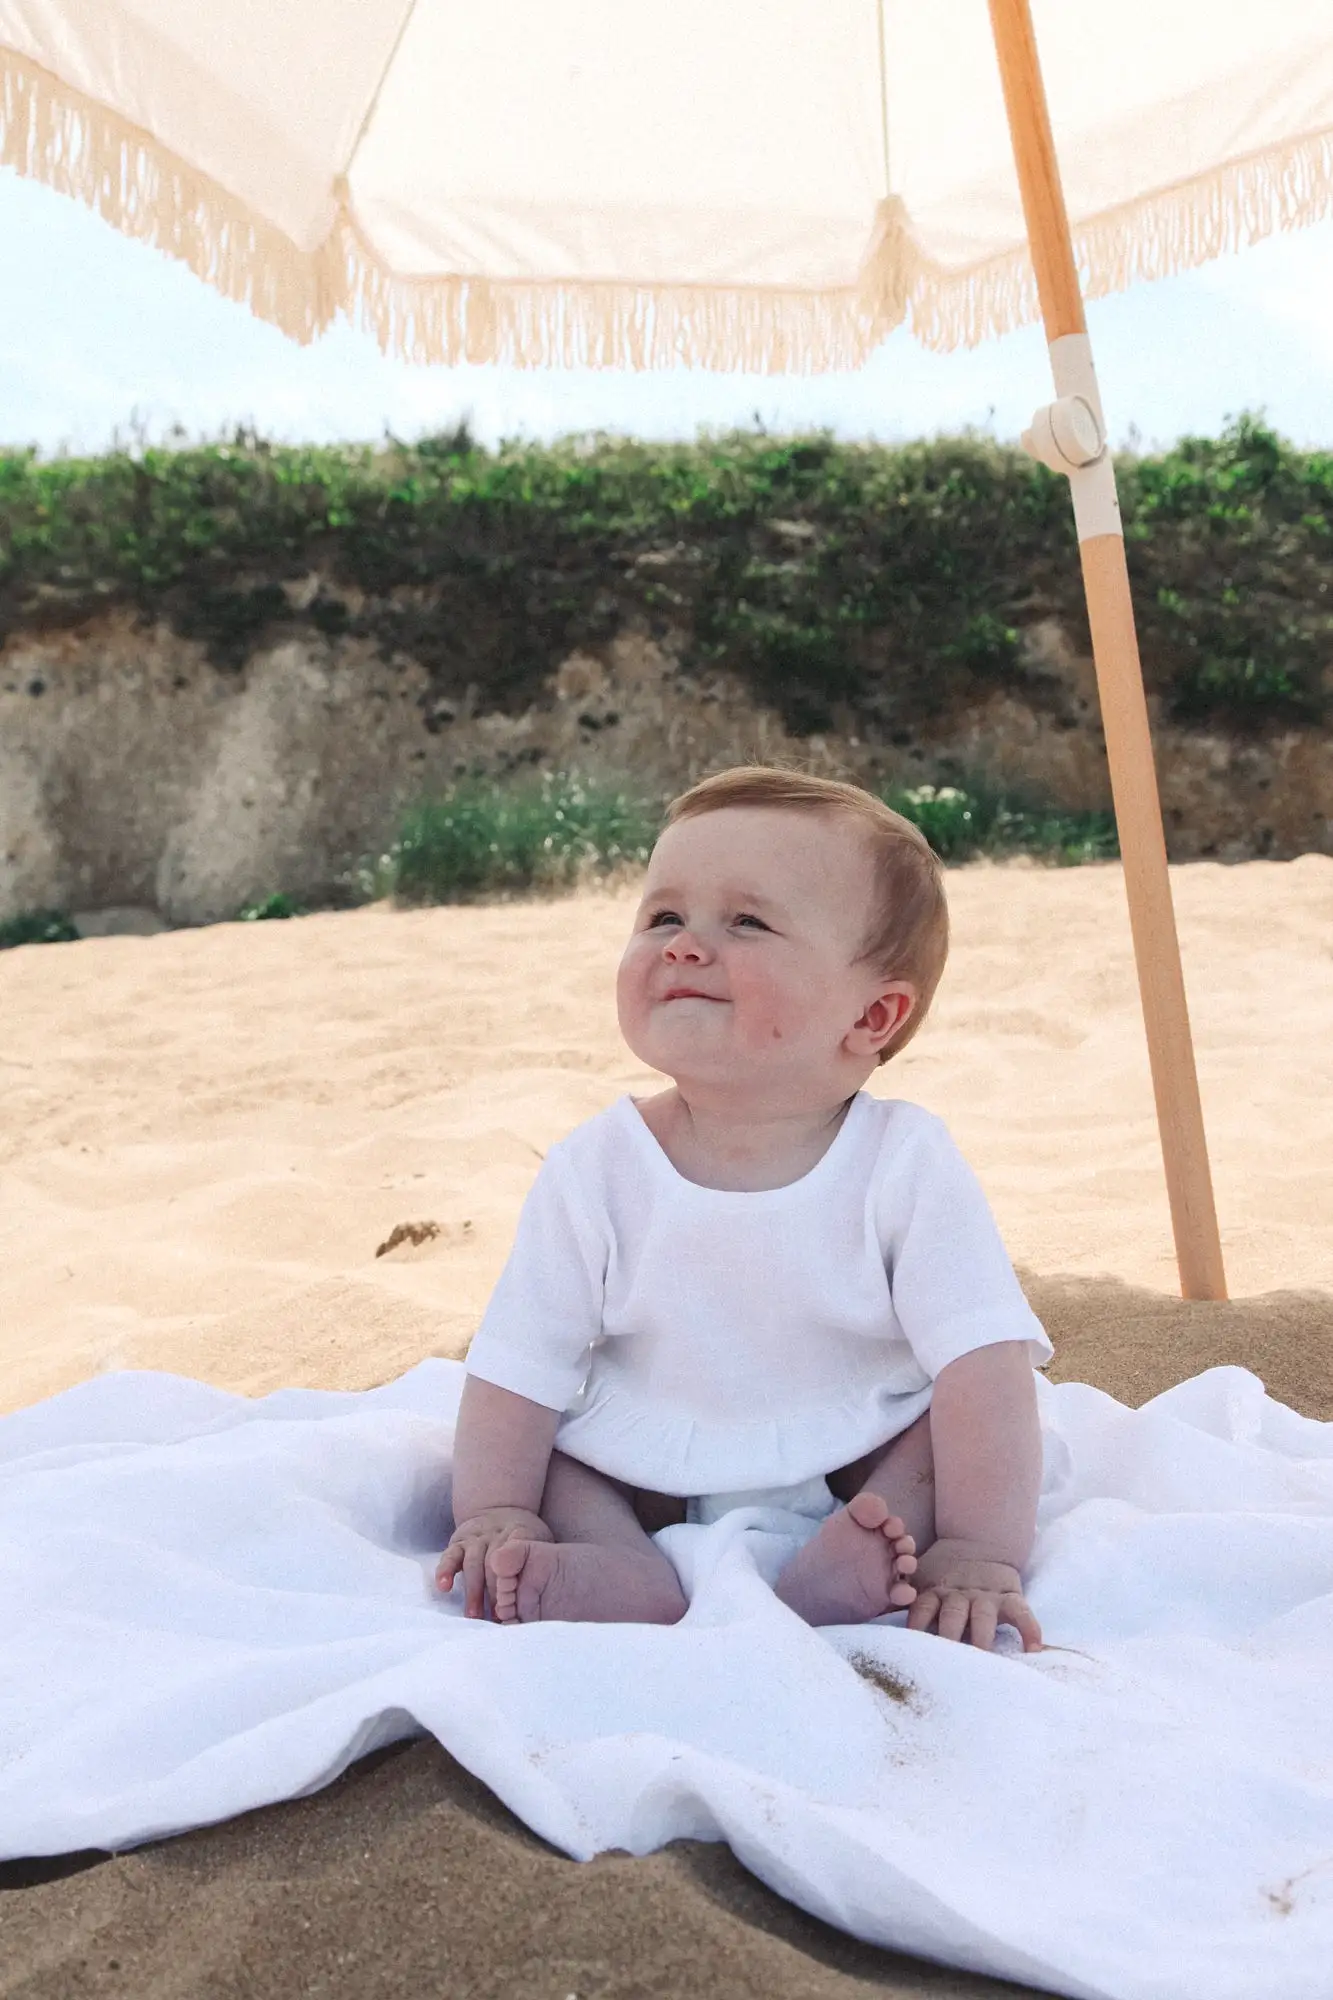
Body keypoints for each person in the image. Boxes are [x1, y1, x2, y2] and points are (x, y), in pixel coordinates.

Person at [436, 766, 1051, 1650]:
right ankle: (618, 1567)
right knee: (554, 1456)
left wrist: (980, 1550)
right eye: (662, 917)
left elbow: (981, 1360)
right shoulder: (597, 1166)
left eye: (747, 922)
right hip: (642, 1463)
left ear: (872, 1014)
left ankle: (864, 1561)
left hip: (852, 1452)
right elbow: (516, 1368)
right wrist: (493, 1509)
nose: (684, 946)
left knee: (951, 1427)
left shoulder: (903, 1162)